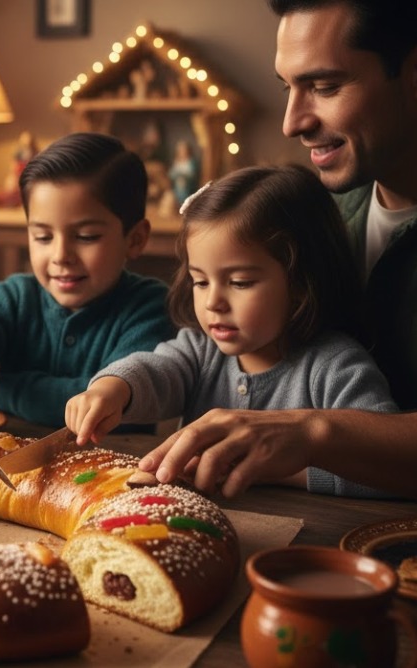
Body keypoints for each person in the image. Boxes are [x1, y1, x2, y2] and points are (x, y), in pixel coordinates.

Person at [136, 0, 417, 499]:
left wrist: (311, 434)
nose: (291, 122)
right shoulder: (317, 213)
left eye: (325, 87)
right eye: (289, 87)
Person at [66, 165, 398, 497]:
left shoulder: (336, 367)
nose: (213, 302)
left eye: (239, 283)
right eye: (200, 281)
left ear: (300, 282)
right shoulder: (200, 351)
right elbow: (157, 371)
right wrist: (114, 388)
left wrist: (278, 471)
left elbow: (385, 468)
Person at [0, 133, 175, 433]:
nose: (61, 256)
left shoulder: (151, 308)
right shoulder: (16, 296)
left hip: (116, 471)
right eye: (43, 237)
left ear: (135, 239)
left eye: (87, 236)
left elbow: (98, 402)